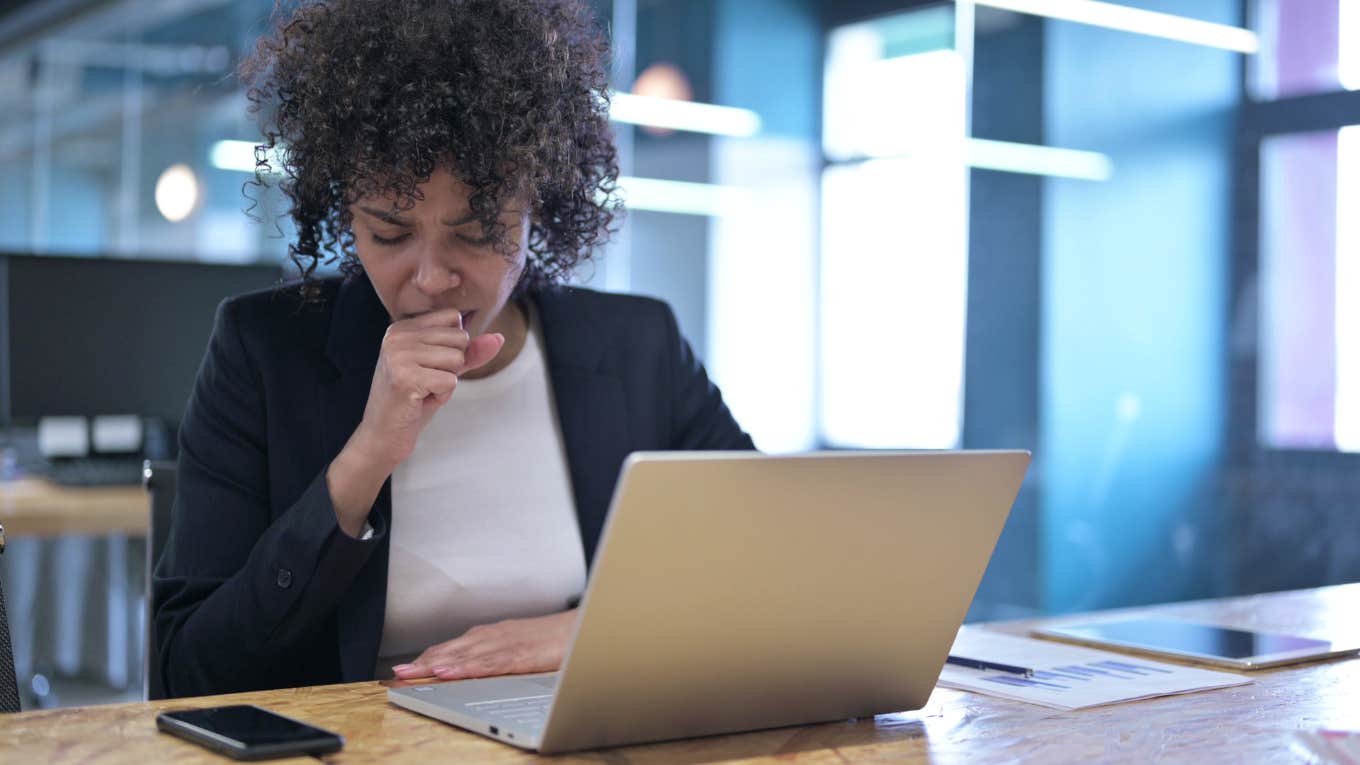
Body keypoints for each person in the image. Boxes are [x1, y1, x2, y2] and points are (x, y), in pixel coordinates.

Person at [153, 0, 754, 698]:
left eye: (475, 234)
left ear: (538, 205)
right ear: (345, 212)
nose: (432, 278)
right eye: (389, 233)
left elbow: (772, 566)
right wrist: (366, 457)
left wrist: (584, 633)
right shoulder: (263, 353)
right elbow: (187, 671)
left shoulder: (638, 348)